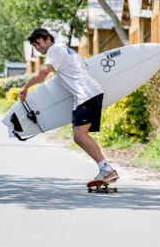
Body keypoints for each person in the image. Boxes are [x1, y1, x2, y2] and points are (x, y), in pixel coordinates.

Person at [19, 28, 119, 183]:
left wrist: (25, 87)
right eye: (34, 46)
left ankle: (106, 169)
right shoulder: (65, 50)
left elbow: (44, 72)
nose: (37, 48)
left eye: (38, 43)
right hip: (90, 93)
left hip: (86, 94)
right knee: (79, 136)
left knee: (80, 135)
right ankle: (105, 168)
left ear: (47, 38)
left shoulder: (54, 50)